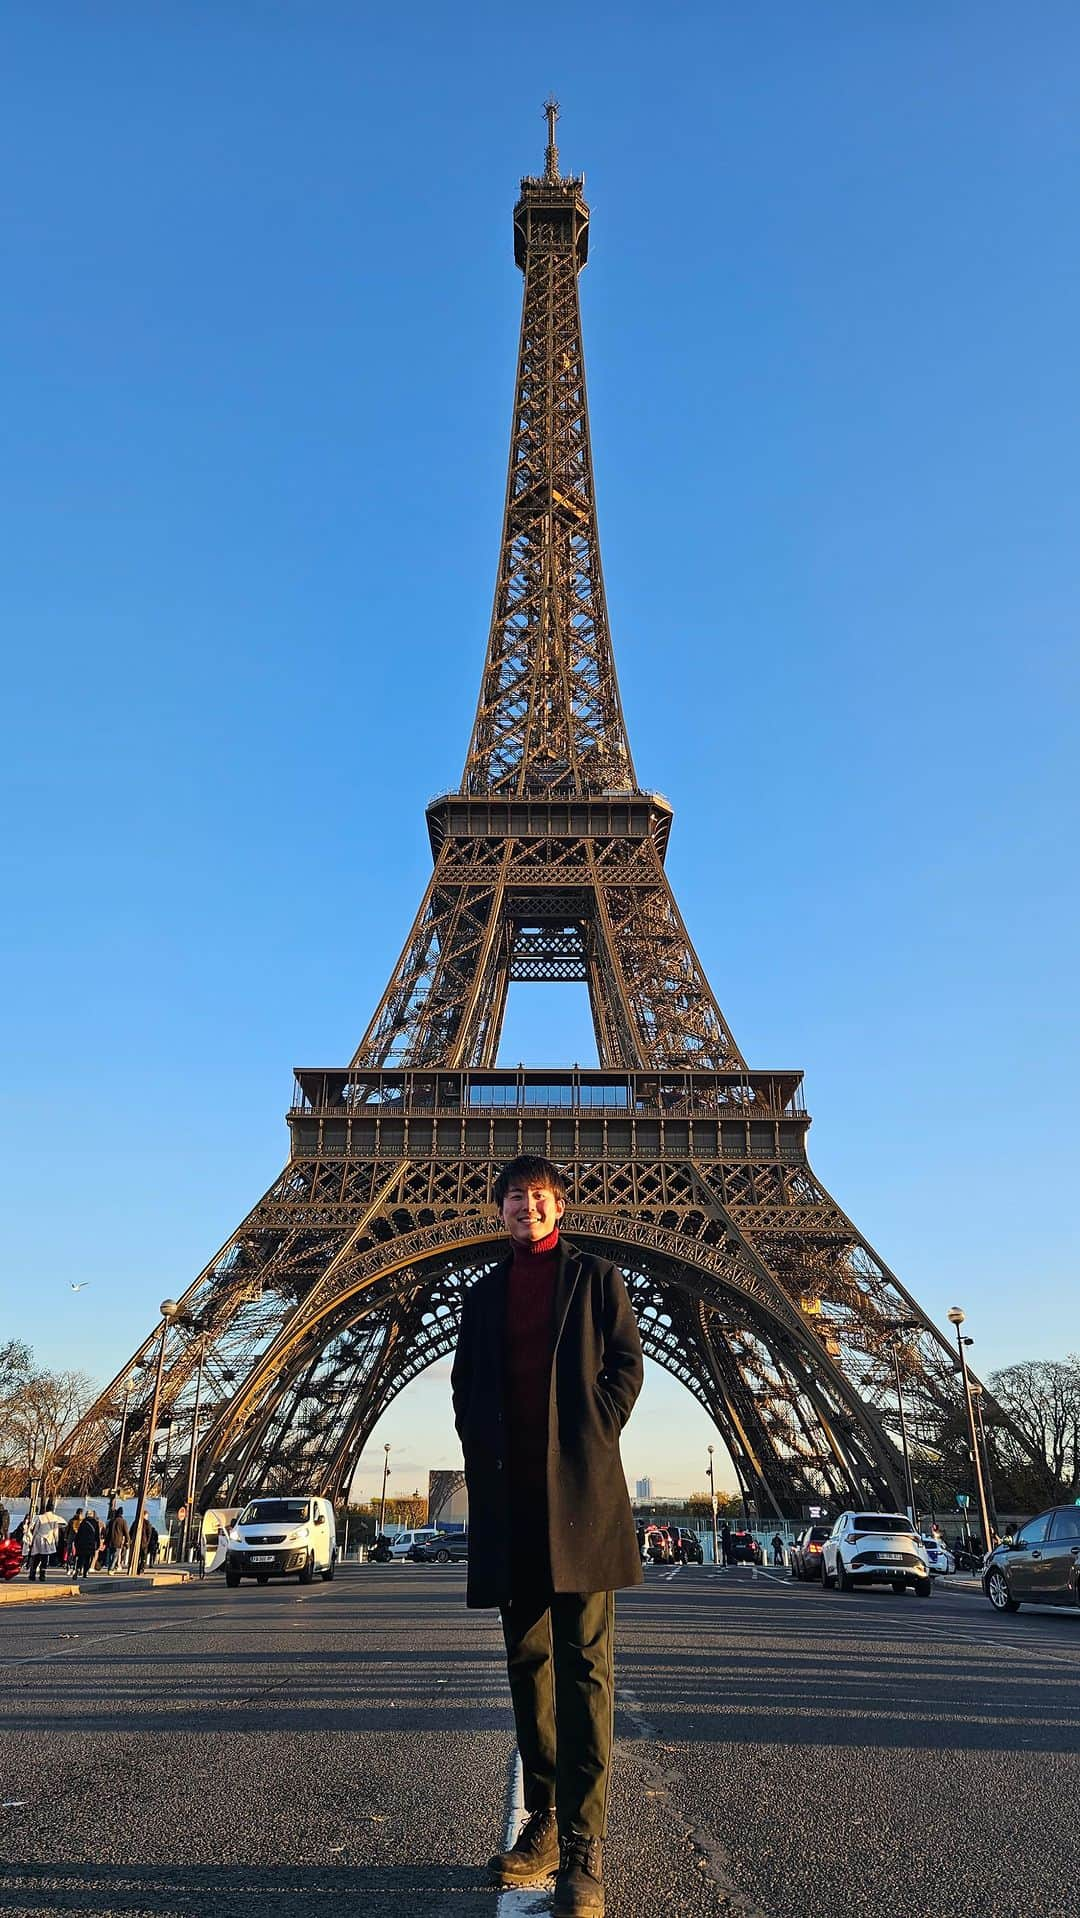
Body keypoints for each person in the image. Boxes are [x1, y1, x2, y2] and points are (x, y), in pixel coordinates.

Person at [452, 1154, 643, 1918]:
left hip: (580, 1500)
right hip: (512, 1501)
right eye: (513, 1197)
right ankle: (549, 1817)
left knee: (586, 1673)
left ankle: (586, 1844)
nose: (525, 1207)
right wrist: (481, 1452)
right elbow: (467, 1388)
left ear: (559, 1207)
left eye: (538, 1196)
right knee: (530, 1665)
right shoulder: (483, 1295)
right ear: (498, 1209)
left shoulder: (598, 1278)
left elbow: (626, 1365)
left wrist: (594, 1431)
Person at [27, 1504, 63, 1581]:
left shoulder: (40, 1517)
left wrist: (32, 1540)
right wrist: (56, 1540)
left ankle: (32, 1574)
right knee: (44, 1557)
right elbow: (55, 1531)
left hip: (38, 1538)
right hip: (48, 1539)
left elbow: (35, 1529)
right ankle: (42, 1575)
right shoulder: (55, 1518)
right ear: (52, 1509)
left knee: (36, 1556)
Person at [74, 1509, 101, 1579]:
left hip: (81, 1543)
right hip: (90, 1543)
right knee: (88, 1559)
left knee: (80, 1557)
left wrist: (76, 1543)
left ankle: (78, 1569)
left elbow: (78, 1533)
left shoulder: (83, 1522)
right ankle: (85, 1574)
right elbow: (97, 1535)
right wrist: (98, 1544)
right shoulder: (95, 1523)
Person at [104, 1504, 129, 1574]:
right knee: (116, 1555)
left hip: (110, 1540)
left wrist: (106, 1541)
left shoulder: (111, 1521)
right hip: (118, 1541)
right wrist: (127, 1540)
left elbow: (108, 1532)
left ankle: (109, 1568)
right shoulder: (123, 1521)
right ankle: (111, 1568)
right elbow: (126, 1532)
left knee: (110, 1555)